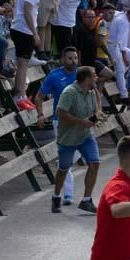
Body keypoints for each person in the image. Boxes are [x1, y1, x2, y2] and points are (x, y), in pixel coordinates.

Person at [51, 66, 104, 214]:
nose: (97, 78)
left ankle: (87, 200)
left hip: (86, 135)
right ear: (86, 79)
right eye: (94, 76)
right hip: (68, 137)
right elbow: (60, 112)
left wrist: (96, 117)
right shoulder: (70, 92)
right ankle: (56, 196)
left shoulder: (91, 92)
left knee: (95, 163)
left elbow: (95, 109)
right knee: (63, 169)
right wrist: (81, 122)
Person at [33, 46, 81, 204]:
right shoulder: (54, 76)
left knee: (80, 151)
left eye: (75, 58)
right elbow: (39, 97)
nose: (73, 61)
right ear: (62, 59)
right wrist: (40, 114)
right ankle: (68, 194)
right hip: (60, 121)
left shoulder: (82, 74)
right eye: (70, 58)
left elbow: (94, 94)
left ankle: (62, 162)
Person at [10, 0, 46, 111]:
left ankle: (21, 95)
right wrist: (35, 33)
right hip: (24, 31)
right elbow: (27, 11)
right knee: (23, 65)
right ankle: (20, 96)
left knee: (22, 64)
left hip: (17, 28)